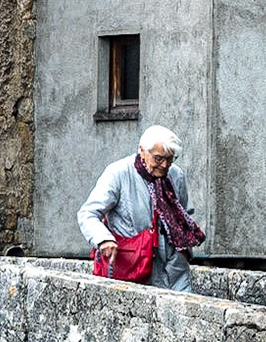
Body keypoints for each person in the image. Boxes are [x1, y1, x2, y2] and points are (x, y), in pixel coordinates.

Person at [77, 125, 204, 292]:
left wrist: (183, 253)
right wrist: (103, 239)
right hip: (133, 267)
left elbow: (184, 214)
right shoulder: (119, 173)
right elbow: (88, 213)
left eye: (170, 158)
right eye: (159, 159)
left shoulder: (176, 175)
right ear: (142, 151)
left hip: (174, 269)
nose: (165, 165)